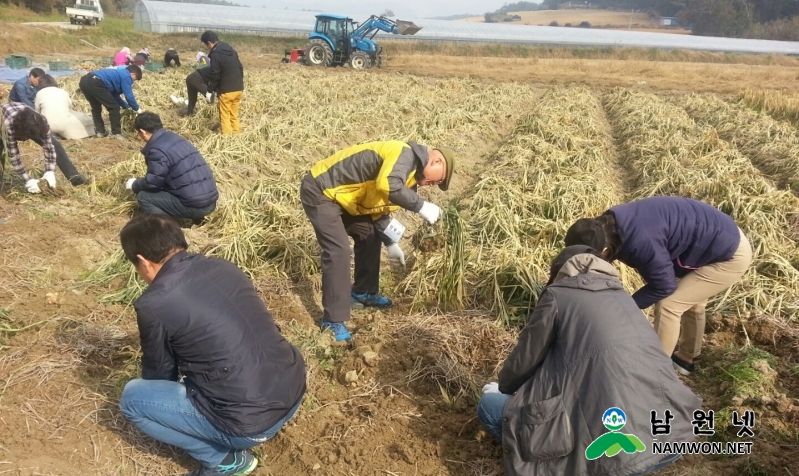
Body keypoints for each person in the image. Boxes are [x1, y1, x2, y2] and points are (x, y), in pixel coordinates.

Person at [477, 245, 702, 476]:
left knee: (491, 407)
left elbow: (525, 360)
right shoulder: (624, 299)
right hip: (672, 439)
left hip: (616, 461)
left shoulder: (559, 295)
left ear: (560, 274)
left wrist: (503, 388)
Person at [117, 213, 306, 476]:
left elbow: (159, 374)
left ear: (142, 261)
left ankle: (224, 461)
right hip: (293, 388)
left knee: (133, 399)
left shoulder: (154, 303)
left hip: (250, 424)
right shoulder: (223, 266)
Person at [564, 196, 753, 375]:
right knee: (691, 299)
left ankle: (656, 374)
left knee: (669, 304)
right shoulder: (607, 227)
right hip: (716, 236)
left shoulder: (640, 241)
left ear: (604, 250)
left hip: (730, 254)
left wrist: (624, 307)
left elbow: (664, 286)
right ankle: (686, 357)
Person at [300, 141, 455, 341]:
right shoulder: (404, 154)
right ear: (436, 160)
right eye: (436, 180)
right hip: (321, 190)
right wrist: (421, 206)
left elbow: (380, 212)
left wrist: (391, 243)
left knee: (369, 233)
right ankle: (332, 320)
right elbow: (388, 184)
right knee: (338, 250)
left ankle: (364, 292)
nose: (432, 185)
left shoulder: (409, 181)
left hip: (347, 200)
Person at [124, 112, 218, 222]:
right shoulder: (174, 138)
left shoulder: (157, 150)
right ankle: (197, 220)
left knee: (144, 197)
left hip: (196, 206)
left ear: (143, 132)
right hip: (210, 201)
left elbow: (153, 184)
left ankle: (167, 226)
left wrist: (135, 184)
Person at [1, 103, 87, 191]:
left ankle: (75, 178)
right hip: (7, 124)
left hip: (27, 123)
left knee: (55, 144)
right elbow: (14, 157)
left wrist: (50, 172)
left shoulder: (41, 121)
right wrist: (27, 180)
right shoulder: (8, 127)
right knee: (2, 151)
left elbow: (49, 147)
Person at [79, 64, 143, 140]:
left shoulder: (116, 75)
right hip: (96, 82)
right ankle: (115, 133)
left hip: (84, 81)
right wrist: (137, 108)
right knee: (114, 107)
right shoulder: (126, 76)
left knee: (96, 107)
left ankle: (100, 131)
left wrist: (126, 106)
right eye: (134, 79)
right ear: (133, 74)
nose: (132, 82)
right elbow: (129, 96)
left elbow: (114, 96)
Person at [201, 30, 244, 135]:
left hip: (227, 91)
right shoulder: (231, 50)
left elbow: (215, 74)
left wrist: (210, 90)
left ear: (209, 43)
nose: (207, 47)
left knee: (225, 115)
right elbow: (240, 67)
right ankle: (236, 134)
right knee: (234, 114)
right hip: (238, 89)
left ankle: (227, 139)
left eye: (206, 45)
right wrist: (238, 82)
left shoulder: (216, 54)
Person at [34, 74, 94, 140]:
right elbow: (70, 107)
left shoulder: (40, 93)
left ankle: (53, 133)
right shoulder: (63, 92)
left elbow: (37, 112)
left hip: (47, 126)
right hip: (64, 125)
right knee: (85, 118)